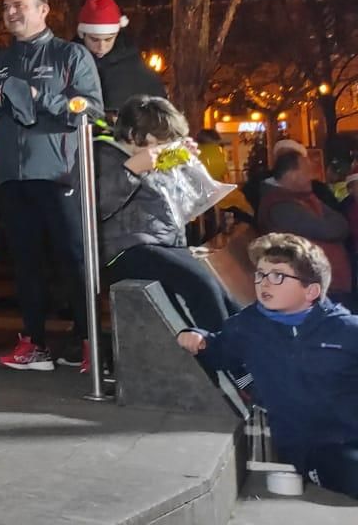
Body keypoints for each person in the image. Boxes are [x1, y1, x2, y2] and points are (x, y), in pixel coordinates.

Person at [0, 0, 103, 373]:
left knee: (73, 261)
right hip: (12, 177)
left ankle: (90, 342)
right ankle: (35, 343)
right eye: (6, 6)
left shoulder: (69, 55)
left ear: (43, 10)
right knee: (25, 264)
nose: (11, 12)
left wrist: (42, 98)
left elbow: (91, 110)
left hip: (61, 176)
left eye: (19, 5)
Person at [178, 234, 358, 498]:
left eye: (278, 276)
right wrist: (197, 337)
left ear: (311, 291)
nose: (264, 282)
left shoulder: (346, 329)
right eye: (261, 274)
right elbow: (218, 351)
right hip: (314, 447)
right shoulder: (247, 327)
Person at [93, 97, 237, 332]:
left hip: (164, 244)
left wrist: (185, 164)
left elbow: (181, 205)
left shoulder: (155, 157)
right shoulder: (100, 154)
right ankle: (223, 350)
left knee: (221, 290)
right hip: (124, 249)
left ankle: (249, 345)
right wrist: (132, 170)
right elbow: (94, 206)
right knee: (200, 285)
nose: (164, 148)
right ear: (133, 135)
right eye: (160, 142)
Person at [258, 148, 353, 300]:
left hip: (329, 285)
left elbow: (341, 221)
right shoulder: (281, 207)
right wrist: (337, 226)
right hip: (316, 290)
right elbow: (329, 230)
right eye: (307, 171)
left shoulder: (303, 197)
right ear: (292, 175)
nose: (312, 176)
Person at [75, 0, 165, 111]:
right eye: (94, 39)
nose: (101, 47)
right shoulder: (71, 60)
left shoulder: (131, 62)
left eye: (108, 39)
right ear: (83, 34)